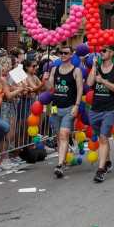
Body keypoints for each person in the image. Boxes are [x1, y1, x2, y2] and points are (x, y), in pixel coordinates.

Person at [86, 46, 114, 183]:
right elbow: (89, 83)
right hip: (95, 109)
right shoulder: (97, 67)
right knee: (103, 139)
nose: (101, 52)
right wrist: (94, 66)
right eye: (100, 50)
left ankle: (100, 170)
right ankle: (107, 161)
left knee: (103, 137)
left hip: (109, 109)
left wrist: (103, 81)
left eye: (104, 50)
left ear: (111, 53)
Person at [45, 47, 82, 179]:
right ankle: (63, 160)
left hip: (69, 108)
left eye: (66, 53)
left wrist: (77, 105)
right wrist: (46, 79)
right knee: (59, 136)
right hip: (55, 108)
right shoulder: (54, 69)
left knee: (64, 134)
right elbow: (50, 88)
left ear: (71, 55)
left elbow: (80, 89)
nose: (63, 55)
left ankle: (59, 165)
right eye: (61, 53)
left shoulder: (76, 71)